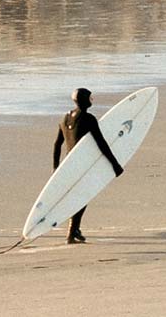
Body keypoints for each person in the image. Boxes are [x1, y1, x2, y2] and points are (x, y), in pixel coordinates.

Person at [52, 87, 123, 244]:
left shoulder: (65, 118)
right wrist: (115, 164)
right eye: (90, 98)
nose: (92, 100)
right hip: (83, 165)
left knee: (80, 196)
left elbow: (57, 145)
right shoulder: (88, 119)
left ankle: (75, 229)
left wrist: (56, 169)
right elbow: (101, 143)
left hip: (69, 164)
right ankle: (72, 232)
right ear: (84, 100)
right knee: (83, 196)